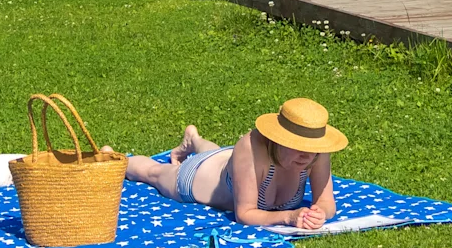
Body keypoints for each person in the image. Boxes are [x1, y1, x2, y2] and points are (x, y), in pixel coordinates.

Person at [125, 97, 347, 229]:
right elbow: (245, 213)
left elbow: (327, 203)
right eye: (298, 145)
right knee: (153, 172)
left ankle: (194, 139)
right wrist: (289, 216)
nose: (307, 155)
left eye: (311, 148)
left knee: (219, 154)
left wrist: (318, 213)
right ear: (278, 139)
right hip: (197, 177)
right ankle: (116, 160)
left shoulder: (317, 151)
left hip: (227, 163)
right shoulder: (250, 149)